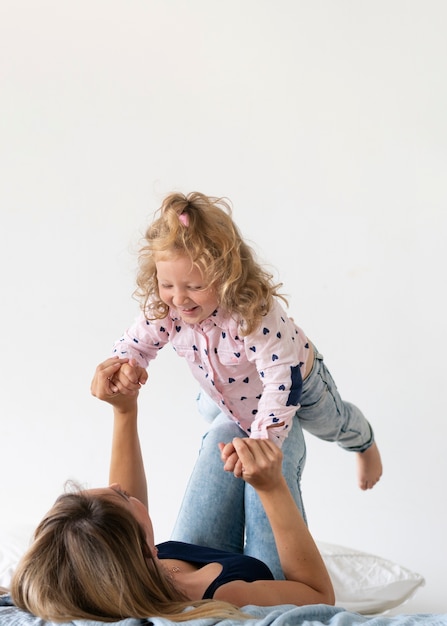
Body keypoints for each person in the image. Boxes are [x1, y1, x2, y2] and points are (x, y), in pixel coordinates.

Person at [101, 191, 382, 576]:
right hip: (227, 392)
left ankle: (363, 442)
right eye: (167, 285)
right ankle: (239, 418)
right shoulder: (171, 307)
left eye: (194, 287)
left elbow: (282, 381)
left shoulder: (253, 311)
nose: (179, 299)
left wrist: (264, 441)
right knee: (212, 410)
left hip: (297, 380)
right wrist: (127, 365)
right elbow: (137, 341)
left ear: (226, 273)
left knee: (331, 423)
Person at [10, 357, 334, 623]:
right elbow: (319, 596)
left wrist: (124, 410)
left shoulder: (123, 564)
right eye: (122, 496)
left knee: (226, 428)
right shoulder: (228, 595)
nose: (116, 484)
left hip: (190, 558)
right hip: (267, 576)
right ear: (148, 551)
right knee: (274, 437)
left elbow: (120, 518)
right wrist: (271, 487)